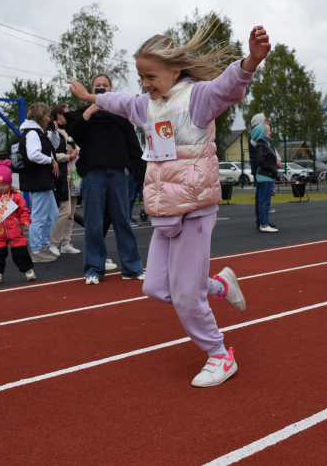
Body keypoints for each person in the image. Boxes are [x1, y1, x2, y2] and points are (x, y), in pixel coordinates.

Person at [67, 22, 271, 387]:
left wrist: (250, 62)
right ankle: (220, 285)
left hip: (194, 207)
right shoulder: (146, 105)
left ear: (174, 71)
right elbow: (121, 101)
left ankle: (220, 355)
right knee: (155, 288)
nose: (144, 83)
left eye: (150, 76)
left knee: (185, 295)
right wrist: (91, 98)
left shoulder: (196, 98)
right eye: (140, 77)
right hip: (164, 210)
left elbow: (228, 86)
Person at [65, 74, 145, 284]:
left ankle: (132, 268)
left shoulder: (121, 115)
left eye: (105, 85)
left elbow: (133, 146)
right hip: (93, 174)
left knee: (122, 221)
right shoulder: (82, 113)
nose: (101, 88)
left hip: (119, 173)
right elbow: (73, 135)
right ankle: (93, 269)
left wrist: (140, 174)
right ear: (91, 90)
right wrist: (91, 109)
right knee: (93, 223)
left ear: (111, 89)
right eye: (97, 86)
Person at [18, 102, 60, 263]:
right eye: (47, 115)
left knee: (52, 214)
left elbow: (54, 146)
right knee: (39, 216)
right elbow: (34, 154)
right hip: (37, 178)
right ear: (40, 116)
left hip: (43, 178)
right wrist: (51, 161)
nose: (49, 118)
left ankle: (43, 246)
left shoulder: (39, 133)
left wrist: (54, 132)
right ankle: (36, 250)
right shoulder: (32, 133)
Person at [0, 160, 36, 283]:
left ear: (10, 184)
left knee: (21, 252)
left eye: (4, 184)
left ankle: (28, 270)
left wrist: (25, 221)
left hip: (15, 232)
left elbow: (23, 211)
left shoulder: (16, 197)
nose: (1, 187)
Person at [47, 104, 81, 257]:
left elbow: (78, 148)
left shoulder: (71, 131)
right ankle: (53, 243)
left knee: (71, 212)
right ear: (59, 115)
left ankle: (66, 242)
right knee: (65, 210)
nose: (69, 116)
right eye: (66, 114)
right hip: (62, 175)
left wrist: (76, 152)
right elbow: (52, 155)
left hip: (75, 174)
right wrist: (68, 156)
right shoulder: (51, 132)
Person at [252, 123, 279, 232]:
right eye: (268, 131)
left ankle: (261, 223)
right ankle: (264, 224)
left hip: (264, 176)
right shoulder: (262, 145)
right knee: (264, 201)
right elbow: (262, 161)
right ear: (263, 133)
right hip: (265, 176)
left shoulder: (262, 144)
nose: (269, 133)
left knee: (260, 201)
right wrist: (273, 170)